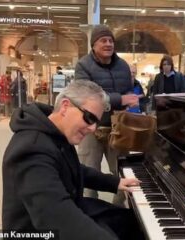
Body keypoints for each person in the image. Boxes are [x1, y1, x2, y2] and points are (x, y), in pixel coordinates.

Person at [2, 81, 144, 240]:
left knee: (135, 224)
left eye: (96, 121)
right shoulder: (31, 149)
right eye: (89, 118)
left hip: (67, 208)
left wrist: (115, 182)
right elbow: (56, 216)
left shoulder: (52, 130)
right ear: (65, 106)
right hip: (38, 229)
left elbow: (74, 168)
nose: (93, 128)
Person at [74, 24, 139, 200]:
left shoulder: (123, 66)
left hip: (118, 129)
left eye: (111, 40)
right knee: (88, 173)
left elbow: (128, 92)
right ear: (93, 45)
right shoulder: (83, 66)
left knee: (121, 172)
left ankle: (118, 210)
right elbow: (86, 96)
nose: (108, 44)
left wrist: (129, 99)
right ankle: (90, 213)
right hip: (90, 128)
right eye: (103, 40)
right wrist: (119, 100)